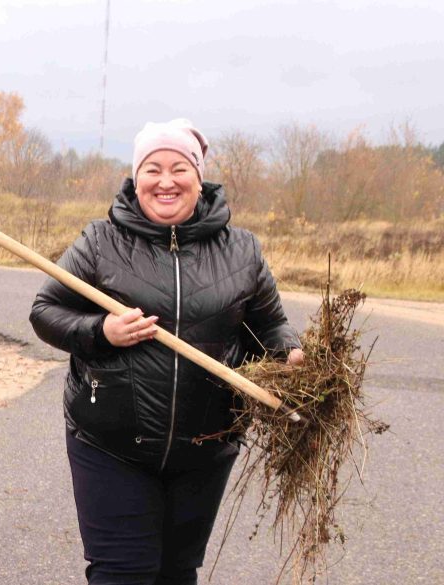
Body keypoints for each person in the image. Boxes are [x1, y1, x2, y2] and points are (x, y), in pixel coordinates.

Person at [29, 119, 303, 585]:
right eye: (152, 169)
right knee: (124, 573)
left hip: (206, 446)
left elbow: (270, 325)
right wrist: (102, 331)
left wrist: (289, 353)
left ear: (199, 178)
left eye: (179, 168)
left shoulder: (242, 250)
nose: (165, 181)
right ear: (136, 178)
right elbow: (45, 311)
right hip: (110, 443)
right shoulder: (100, 242)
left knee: (176, 573)